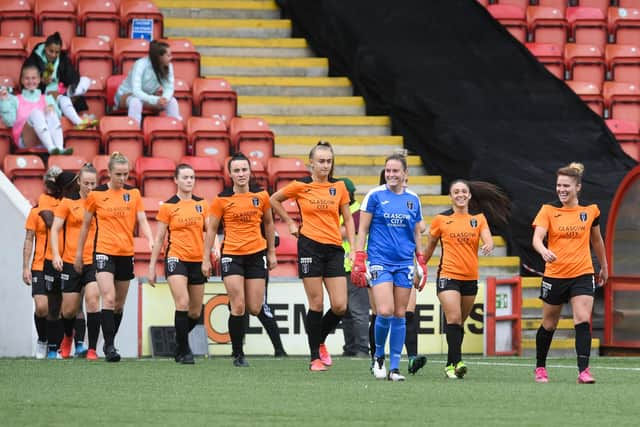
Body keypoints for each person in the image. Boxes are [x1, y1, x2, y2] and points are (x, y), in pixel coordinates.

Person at [270, 141, 356, 371]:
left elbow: (348, 219)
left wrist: (356, 250)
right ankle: (314, 359)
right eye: (321, 161)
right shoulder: (299, 186)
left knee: (340, 306)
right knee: (316, 303)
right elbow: (273, 199)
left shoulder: (339, 187)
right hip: (309, 248)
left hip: (334, 249)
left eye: (329, 161)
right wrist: (289, 222)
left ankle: (319, 340)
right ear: (311, 163)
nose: (325, 165)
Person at [423, 179, 509, 379]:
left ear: (469, 196)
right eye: (456, 192)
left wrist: (489, 245)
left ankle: (450, 364)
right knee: (453, 318)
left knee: (459, 322)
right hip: (448, 275)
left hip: (470, 278)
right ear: (451, 196)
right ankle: (458, 361)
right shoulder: (441, 220)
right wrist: (420, 268)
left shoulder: (478, 219)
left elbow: (487, 238)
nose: (460, 194)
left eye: (464, 191)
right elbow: (429, 248)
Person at [352, 154, 427, 381]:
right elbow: (362, 229)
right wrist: (358, 257)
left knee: (399, 313)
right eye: (388, 171)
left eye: (396, 171)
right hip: (379, 261)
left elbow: (415, 231)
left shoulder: (413, 199)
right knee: (384, 311)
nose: (391, 175)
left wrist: (420, 260)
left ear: (405, 174)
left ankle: (395, 367)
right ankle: (378, 357)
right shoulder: (374, 196)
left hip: (404, 262)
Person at [532, 162, 607, 384]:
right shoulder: (548, 210)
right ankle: (540, 368)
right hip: (555, 274)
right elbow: (537, 238)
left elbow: (596, 240)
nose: (561, 189)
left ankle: (584, 371)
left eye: (566, 185)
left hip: (583, 273)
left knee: (582, 319)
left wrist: (603, 266)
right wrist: (544, 250)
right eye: (558, 185)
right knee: (549, 324)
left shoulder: (590, 211)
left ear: (578, 187)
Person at [75, 152, 153, 362]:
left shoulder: (133, 194)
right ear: (108, 173)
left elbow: (142, 219)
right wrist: (79, 254)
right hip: (104, 251)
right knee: (107, 298)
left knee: (119, 304)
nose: (123, 178)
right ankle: (109, 347)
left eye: (126, 174)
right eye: (118, 174)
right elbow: (85, 226)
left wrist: (151, 239)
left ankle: (110, 341)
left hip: (126, 253)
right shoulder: (96, 195)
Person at [204, 153, 277, 367]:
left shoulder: (261, 196)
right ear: (230, 174)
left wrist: (271, 252)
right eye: (236, 170)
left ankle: (236, 303)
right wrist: (205, 259)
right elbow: (211, 230)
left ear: (250, 171)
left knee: (254, 308)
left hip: (256, 254)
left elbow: (270, 224)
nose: (241, 174)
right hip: (232, 255)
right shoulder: (221, 199)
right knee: (238, 307)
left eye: (244, 169)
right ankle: (238, 354)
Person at [148, 164, 209, 365]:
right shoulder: (168, 206)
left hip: (198, 259)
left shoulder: (202, 204)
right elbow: (159, 239)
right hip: (176, 258)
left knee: (194, 311)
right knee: (182, 303)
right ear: (176, 180)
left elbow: (210, 230)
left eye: (192, 177)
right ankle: (185, 351)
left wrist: (213, 249)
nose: (189, 181)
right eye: (185, 177)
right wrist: (151, 267)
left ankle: (178, 343)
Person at [50, 164, 102, 360]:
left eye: (93, 183)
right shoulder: (67, 203)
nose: (89, 187)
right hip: (71, 261)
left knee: (92, 300)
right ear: (79, 181)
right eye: (86, 183)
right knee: (69, 310)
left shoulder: (100, 203)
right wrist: (56, 254)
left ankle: (92, 348)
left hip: (94, 260)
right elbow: (55, 229)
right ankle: (68, 337)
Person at [22, 167, 63, 358]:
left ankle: (56, 346)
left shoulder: (65, 208)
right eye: (51, 181)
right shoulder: (36, 211)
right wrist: (25, 267)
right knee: (41, 307)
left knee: (58, 309)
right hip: (39, 264)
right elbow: (29, 238)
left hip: (60, 263)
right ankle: (42, 339)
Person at [26, 32, 97, 130]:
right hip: (43, 93)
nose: (54, 55)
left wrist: (71, 86)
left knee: (86, 80)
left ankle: (71, 93)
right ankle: (79, 122)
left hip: (61, 91)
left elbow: (73, 75)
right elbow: (26, 84)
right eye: (51, 51)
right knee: (63, 98)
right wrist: (41, 82)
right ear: (45, 48)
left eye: (57, 52)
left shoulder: (62, 58)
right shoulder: (33, 60)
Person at [0, 62, 70, 154]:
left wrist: (53, 109)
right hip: (26, 140)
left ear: (39, 80)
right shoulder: (15, 100)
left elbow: (57, 117)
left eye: (34, 78)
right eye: (27, 78)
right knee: (36, 113)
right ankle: (51, 148)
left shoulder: (47, 98)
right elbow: (9, 122)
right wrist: (4, 101)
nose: (30, 81)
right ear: (22, 80)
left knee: (50, 112)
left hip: (44, 140)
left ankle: (59, 148)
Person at [337, 177, 370, 358]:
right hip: (343, 267)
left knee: (358, 311)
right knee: (346, 312)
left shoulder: (357, 213)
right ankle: (350, 347)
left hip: (355, 268)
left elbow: (339, 233)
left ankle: (363, 348)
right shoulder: (347, 211)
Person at [114, 40, 180, 124]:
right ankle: (134, 131)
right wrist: (155, 99)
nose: (171, 57)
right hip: (127, 95)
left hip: (149, 96)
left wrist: (165, 99)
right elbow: (136, 91)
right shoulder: (140, 64)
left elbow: (169, 87)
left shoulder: (169, 66)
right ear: (159, 57)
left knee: (172, 101)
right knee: (136, 102)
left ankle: (175, 129)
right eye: (168, 55)